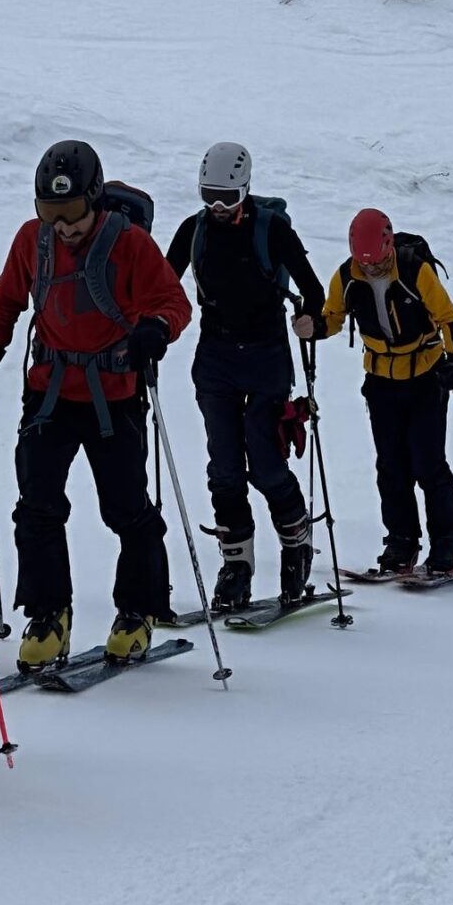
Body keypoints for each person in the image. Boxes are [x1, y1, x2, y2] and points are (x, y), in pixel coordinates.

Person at [0, 140, 192, 671]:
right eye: (50, 214)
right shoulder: (33, 241)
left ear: (96, 200)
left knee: (127, 509)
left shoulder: (128, 243)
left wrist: (156, 330)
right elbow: (4, 303)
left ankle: (138, 611)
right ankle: (48, 615)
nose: (62, 226)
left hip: (114, 397)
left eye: (71, 214)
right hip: (48, 395)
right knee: (37, 506)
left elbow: (173, 302)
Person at [165, 143, 328, 611]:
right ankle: (236, 565)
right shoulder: (194, 230)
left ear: (246, 191)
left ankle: (296, 547)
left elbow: (312, 291)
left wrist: (310, 320)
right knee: (225, 468)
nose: (218, 208)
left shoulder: (271, 229)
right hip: (215, 357)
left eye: (228, 198)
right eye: (209, 196)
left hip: (266, 355)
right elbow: (161, 283)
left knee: (266, 462)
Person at [316, 209, 453, 575]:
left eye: (377, 262)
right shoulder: (346, 276)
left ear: (389, 246)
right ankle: (401, 541)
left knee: (428, 462)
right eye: (363, 263)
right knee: (391, 466)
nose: (370, 269)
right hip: (381, 381)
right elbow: (333, 318)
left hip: (425, 378)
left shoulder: (416, 270)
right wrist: (314, 328)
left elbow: (448, 317)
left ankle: (447, 542)